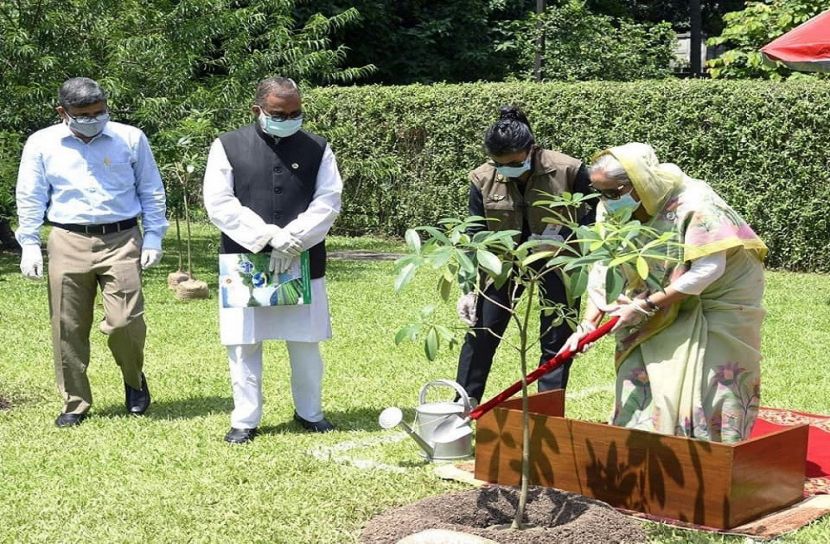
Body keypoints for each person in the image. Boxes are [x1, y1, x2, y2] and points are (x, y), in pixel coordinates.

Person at [562, 142, 767, 443]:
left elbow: (707, 271)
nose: (606, 201)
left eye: (613, 192)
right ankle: (643, 446)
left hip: (718, 298)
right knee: (639, 373)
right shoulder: (611, 210)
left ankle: (713, 455)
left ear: (639, 182)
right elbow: (604, 266)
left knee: (712, 380)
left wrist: (645, 306)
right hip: (654, 296)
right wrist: (588, 323)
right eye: (600, 193)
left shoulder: (696, 203)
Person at [15, 77, 167, 427]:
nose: (93, 119)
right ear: (63, 112)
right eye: (84, 114)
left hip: (122, 237)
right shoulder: (42, 143)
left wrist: (155, 236)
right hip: (67, 237)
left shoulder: (130, 138)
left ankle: (134, 380)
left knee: (125, 322)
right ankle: (75, 401)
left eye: (99, 112)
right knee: (68, 325)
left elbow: (151, 189)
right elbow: (31, 195)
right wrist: (29, 244)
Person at [203, 76, 342, 444]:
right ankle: (245, 419)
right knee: (244, 342)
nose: (290, 118)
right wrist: (267, 237)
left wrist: (293, 239)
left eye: (296, 112)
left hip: (303, 256)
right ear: (258, 110)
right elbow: (219, 202)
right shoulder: (227, 145)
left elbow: (328, 201)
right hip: (244, 258)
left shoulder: (318, 147)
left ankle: (310, 412)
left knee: (305, 341)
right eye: (280, 113)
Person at [454, 106, 595, 404]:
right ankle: (462, 410)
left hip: (557, 263)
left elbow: (595, 217)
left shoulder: (568, 169)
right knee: (482, 332)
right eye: (499, 164)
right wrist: (468, 289)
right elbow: (473, 233)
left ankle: (547, 412)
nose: (506, 169)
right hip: (502, 263)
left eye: (515, 163)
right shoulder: (482, 178)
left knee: (557, 339)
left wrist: (573, 243)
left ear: (531, 149)